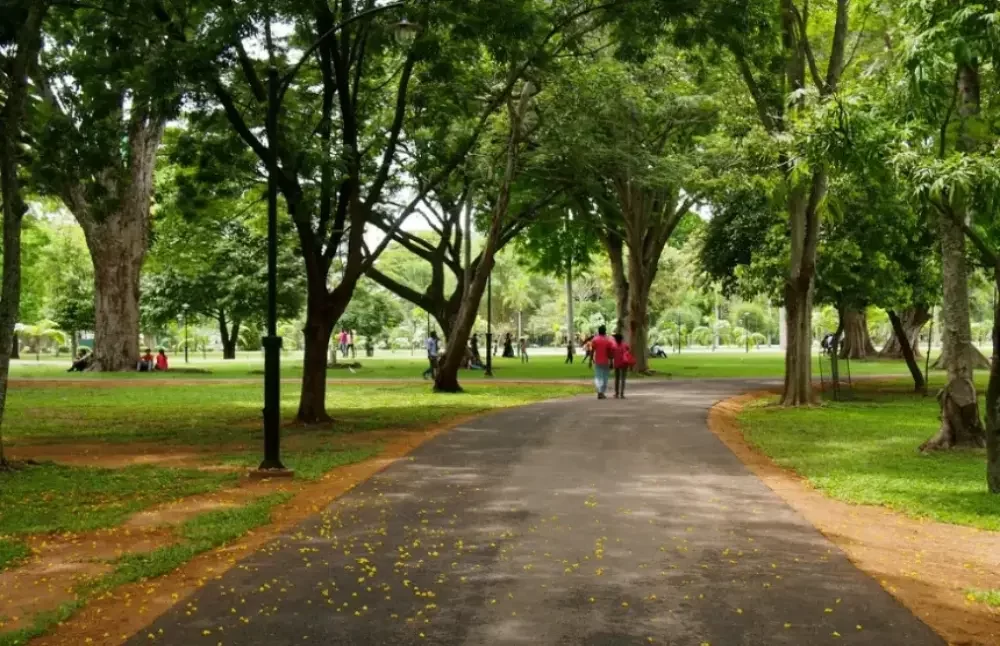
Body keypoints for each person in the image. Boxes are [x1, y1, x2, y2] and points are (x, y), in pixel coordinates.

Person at [590, 325, 616, 400]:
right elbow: (610, 353)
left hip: (597, 360)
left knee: (598, 376)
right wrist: (611, 362)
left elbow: (592, 350)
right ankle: (602, 392)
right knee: (605, 377)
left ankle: (599, 392)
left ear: (598, 331)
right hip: (606, 361)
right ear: (605, 331)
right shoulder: (608, 340)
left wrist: (590, 360)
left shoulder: (595, 339)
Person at [613, 332, 634, 399]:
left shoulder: (614, 346)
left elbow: (611, 355)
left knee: (617, 379)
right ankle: (622, 394)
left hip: (616, 364)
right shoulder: (625, 345)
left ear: (616, 339)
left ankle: (616, 393)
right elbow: (628, 352)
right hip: (624, 363)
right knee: (623, 379)